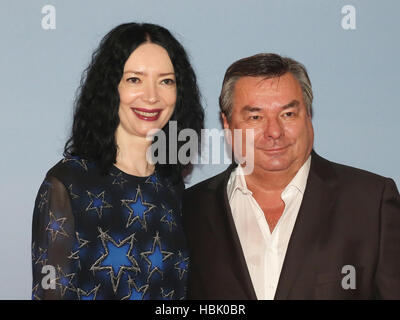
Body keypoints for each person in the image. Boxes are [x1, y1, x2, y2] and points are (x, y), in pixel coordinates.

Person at [183, 53, 400, 300]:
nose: (274, 131)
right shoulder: (189, 210)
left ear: (308, 115)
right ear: (227, 124)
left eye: (288, 114)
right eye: (255, 117)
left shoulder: (371, 203)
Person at [31, 22, 204, 300]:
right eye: (134, 79)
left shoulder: (172, 188)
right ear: (110, 87)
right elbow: (48, 293)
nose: (151, 96)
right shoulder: (67, 185)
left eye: (166, 81)